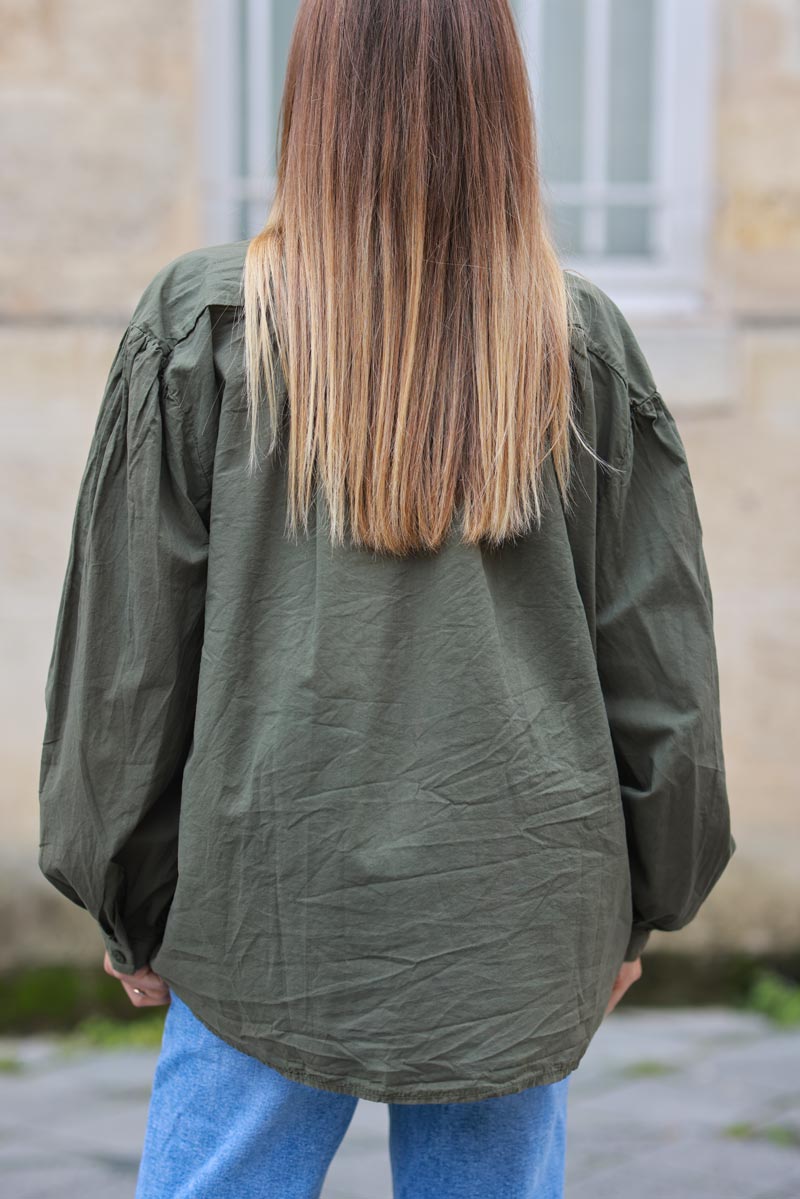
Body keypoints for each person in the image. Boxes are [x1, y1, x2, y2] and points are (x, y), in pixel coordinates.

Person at [36, 1, 736, 1196]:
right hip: (513, 902)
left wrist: (127, 892)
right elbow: (657, 667)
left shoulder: (208, 327)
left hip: (263, 892)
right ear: (499, 105)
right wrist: (636, 904)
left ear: (312, 98)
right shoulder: (575, 340)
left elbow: (128, 664)